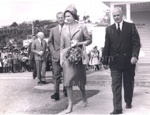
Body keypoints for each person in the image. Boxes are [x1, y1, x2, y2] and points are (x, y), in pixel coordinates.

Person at [102, 7, 141, 114]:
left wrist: (134, 56)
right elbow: (107, 46)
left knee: (128, 83)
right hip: (115, 63)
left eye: (118, 15)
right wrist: (104, 61)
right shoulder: (109, 29)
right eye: (114, 16)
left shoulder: (131, 27)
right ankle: (117, 108)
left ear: (122, 15)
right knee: (115, 85)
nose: (116, 17)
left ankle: (128, 101)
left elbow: (136, 43)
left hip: (129, 61)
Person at [60, 4, 92, 113]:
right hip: (67, 59)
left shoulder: (81, 27)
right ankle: (70, 105)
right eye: (65, 17)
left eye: (68, 16)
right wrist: (62, 59)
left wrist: (79, 43)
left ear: (74, 16)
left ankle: (84, 95)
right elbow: (61, 45)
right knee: (67, 82)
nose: (66, 19)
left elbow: (89, 40)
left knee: (80, 81)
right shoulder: (63, 29)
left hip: (78, 57)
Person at [48, 12, 67, 101]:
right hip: (56, 57)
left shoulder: (68, 28)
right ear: (57, 19)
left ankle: (66, 90)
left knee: (67, 74)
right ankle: (56, 93)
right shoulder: (53, 30)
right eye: (59, 18)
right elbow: (50, 42)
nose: (60, 19)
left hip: (67, 56)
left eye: (62, 17)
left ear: (64, 18)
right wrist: (53, 51)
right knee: (56, 76)